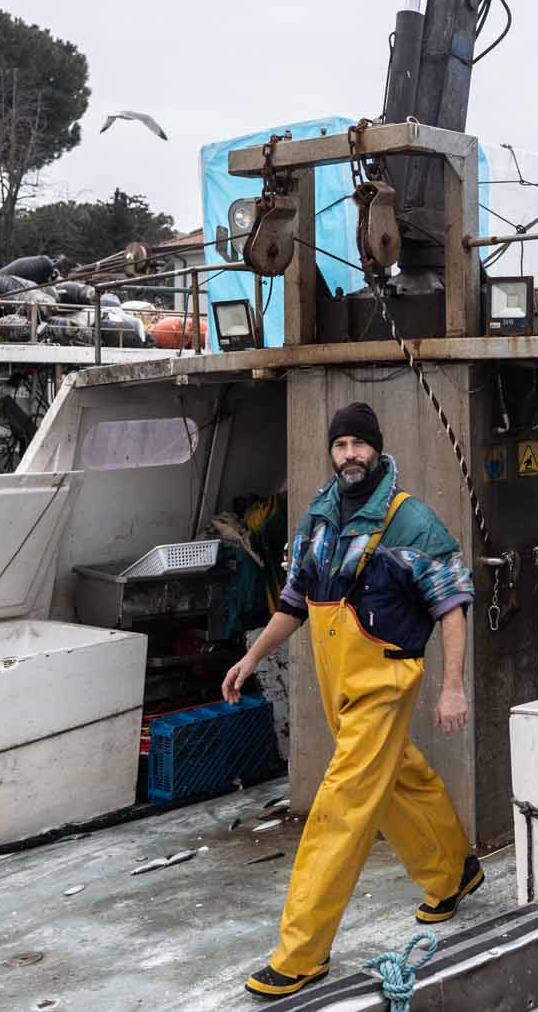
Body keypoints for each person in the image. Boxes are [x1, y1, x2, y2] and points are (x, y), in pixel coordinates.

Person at [223, 401, 483, 998]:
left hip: (385, 684)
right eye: (340, 446)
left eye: (358, 446)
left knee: (340, 810)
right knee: (399, 778)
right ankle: (455, 873)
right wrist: (252, 657)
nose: (349, 456)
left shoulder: (411, 522)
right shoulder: (317, 517)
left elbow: (452, 606)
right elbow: (293, 602)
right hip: (340, 689)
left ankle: (301, 954)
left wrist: (451, 687)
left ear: (377, 450)